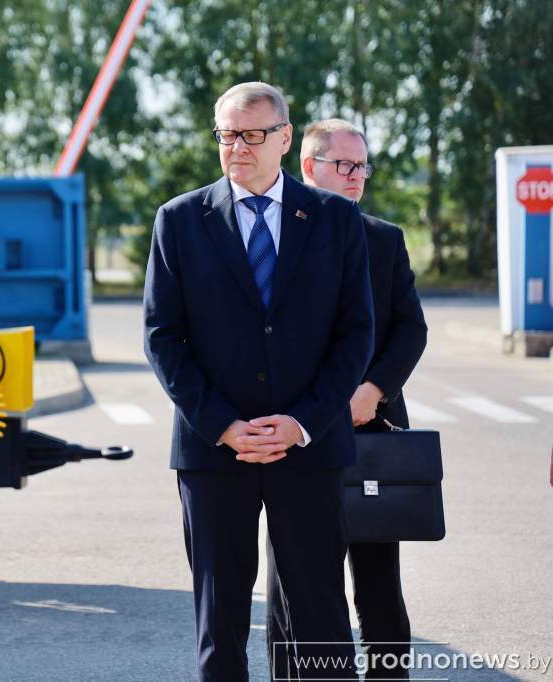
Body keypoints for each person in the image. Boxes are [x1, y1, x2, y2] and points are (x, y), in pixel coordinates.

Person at [143, 82, 374, 681]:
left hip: (310, 447)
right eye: (227, 135)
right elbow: (162, 338)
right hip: (215, 452)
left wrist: (301, 423)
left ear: (284, 138)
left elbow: (355, 336)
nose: (237, 147)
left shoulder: (334, 219)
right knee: (219, 628)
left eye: (251, 135)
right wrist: (223, 425)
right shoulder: (179, 220)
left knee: (322, 623)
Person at [264, 118, 428, 680]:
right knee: (292, 585)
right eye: (345, 165)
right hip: (294, 436)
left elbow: (410, 329)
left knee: (380, 580)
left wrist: (375, 391)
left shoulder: (383, 238)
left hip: (371, 433)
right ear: (310, 167)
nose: (357, 177)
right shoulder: (276, 237)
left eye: (363, 166)